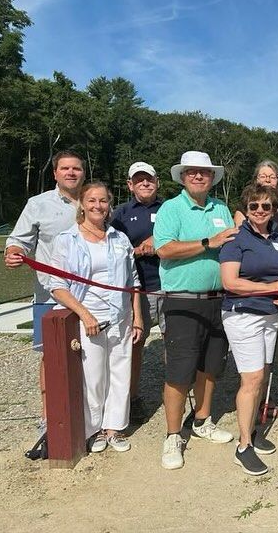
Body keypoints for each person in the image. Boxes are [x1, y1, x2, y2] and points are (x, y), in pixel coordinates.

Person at [154, 151, 240, 470]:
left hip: (219, 299)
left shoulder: (221, 208)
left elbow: (231, 246)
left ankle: (202, 421)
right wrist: (208, 242)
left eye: (204, 172)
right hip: (183, 300)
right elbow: (164, 248)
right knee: (179, 371)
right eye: (192, 172)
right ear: (183, 177)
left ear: (212, 177)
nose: (199, 176)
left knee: (211, 366)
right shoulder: (172, 208)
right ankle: (173, 435)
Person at [48, 182, 143, 453]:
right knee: (94, 376)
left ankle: (114, 427)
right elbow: (57, 285)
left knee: (120, 373)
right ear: (82, 204)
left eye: (102, 201)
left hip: (121, 315)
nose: (97, 206)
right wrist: (84, 314)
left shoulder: (119, 238)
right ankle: (95, 429)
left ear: (109, 204)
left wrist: (137, 318)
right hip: (89, 318)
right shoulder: (68, 240)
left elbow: (132, 281)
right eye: (91, 201)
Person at [4, 150, 86, 433]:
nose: (71, 173)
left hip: (90, 295)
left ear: (83, 172)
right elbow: (19, 240)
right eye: (65, 168)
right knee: (51, 357)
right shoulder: (38, 204)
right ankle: (49, 416)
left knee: (89, 353)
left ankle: (86, 413)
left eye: (76, 168)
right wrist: (14, 252)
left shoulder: (93, 201)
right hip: (50, 294)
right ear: (55, 173)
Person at [220, 184, 278, 475]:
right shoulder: (236, 238)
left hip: (269, 315)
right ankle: (244, 445)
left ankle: (254, 430)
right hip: (243, 315)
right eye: (254, 206)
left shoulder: (275, 237)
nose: (261, 211)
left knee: (263, 375)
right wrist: (268, 288)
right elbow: (230, 282)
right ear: (245, 209)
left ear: (274, 210)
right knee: (252, 379)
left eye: (267, 206)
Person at [233, 160, 278, 411]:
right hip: (255, 280)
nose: (267, 180)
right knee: (261, 340)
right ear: (255, 179)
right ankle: (260, 395)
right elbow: (241, 241)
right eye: (262, 176)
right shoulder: (246, 207)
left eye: (271, 176)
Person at [111, 161, 163, 424]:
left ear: (157, 182)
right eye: (139, 179)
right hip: (137, 289)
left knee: (174, 343)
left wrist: (159, 240)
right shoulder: (120, 213)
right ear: (130, 185)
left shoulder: (169, 208)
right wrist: (136, 249)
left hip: (168, 286)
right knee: (134, 344)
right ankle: (131, 398)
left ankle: (175, 392)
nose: (145, 183)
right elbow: (112, 248)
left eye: (149, 179)